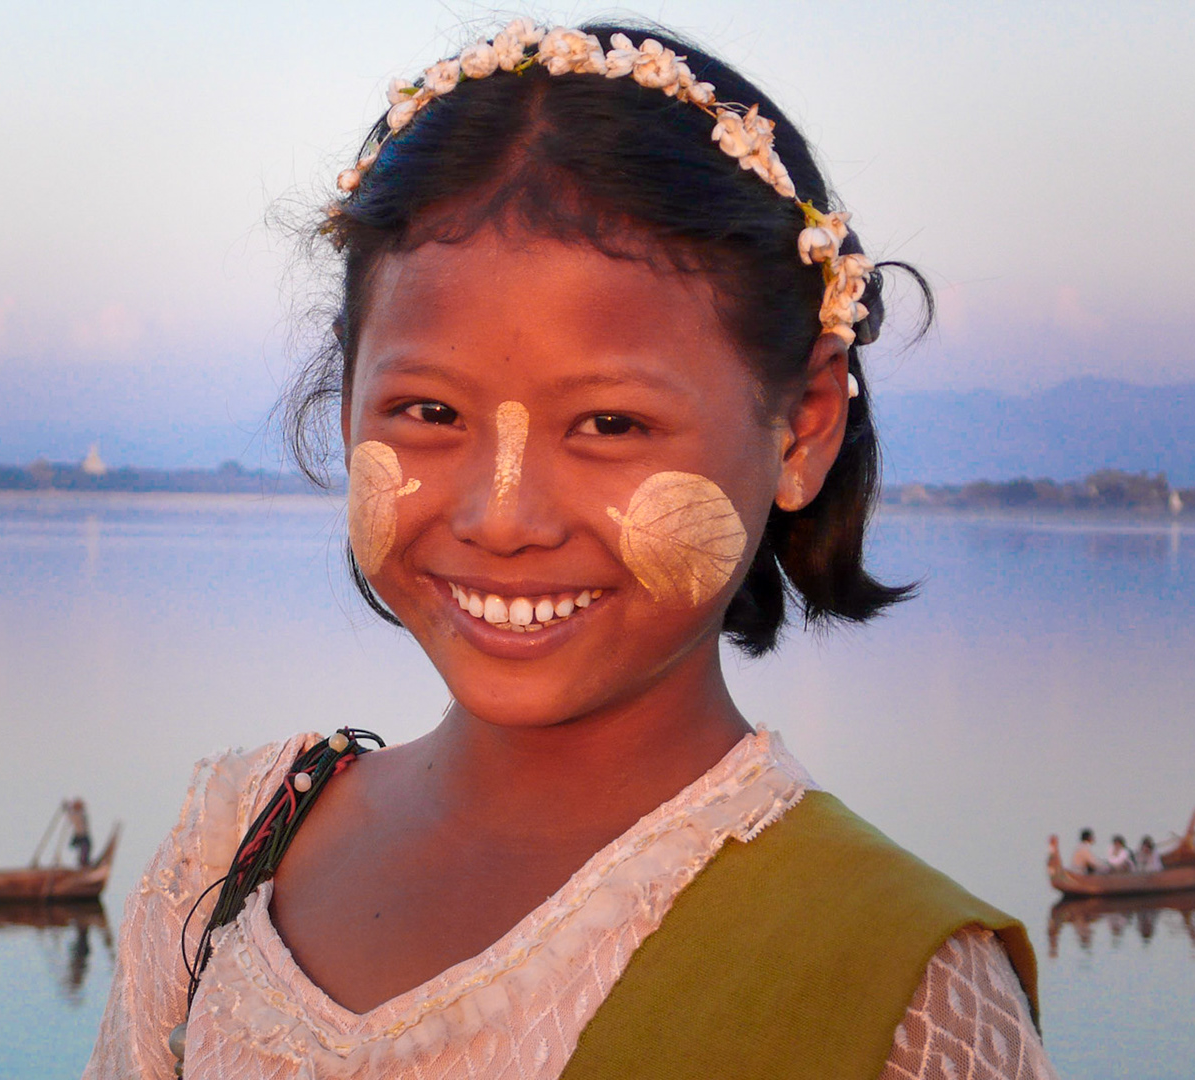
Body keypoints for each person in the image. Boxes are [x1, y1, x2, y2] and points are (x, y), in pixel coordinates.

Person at [85, 20, 1053, 1080]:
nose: (505, 519)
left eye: (609, 426)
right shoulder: (234, 858)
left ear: (804, 427)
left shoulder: (898, 993)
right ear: (347, 395)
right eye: (426, 410)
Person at [66, 798, 93, 869]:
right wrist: (68, 809)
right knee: (85, 847)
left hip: (82, 835)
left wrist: (68, 809)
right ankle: (83, 863)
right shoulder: (77, 814)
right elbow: (73, 817)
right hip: (81, 835)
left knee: (86, 848)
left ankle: (84, 863)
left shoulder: (79, 814)